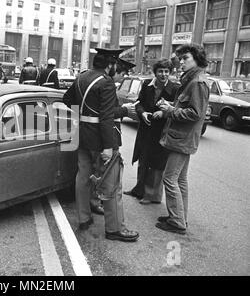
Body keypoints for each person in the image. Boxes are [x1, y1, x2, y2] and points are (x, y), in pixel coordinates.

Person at [63, 48, 139, 242]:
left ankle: (83, 219)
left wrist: (84, 118)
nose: (116, 68)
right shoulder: (105, 82)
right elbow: (106, 117)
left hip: (82, 136)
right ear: (110, 65)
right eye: (116, 65)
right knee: (112, 185)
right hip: (100, 140)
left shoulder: (82, 77)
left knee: (83, 179)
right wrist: (108, 146)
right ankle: (114, 229)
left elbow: (67, 100)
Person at [155, 43, 210, 234]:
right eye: (181, 59)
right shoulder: (191, 80)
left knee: (169, 179)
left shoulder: (197, 83)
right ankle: (179, 217)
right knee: (180, 180)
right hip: (181, 138)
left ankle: (177, 222)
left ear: (197, 59)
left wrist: (171, 110)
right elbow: (188, 107)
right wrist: (171, 105)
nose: (181, 63)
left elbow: (195, 113)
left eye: (186, 58)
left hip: (182, 139)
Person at [124, 59, 180, 204]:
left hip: (162, 130)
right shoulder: (147, 84)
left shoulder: (174, 88)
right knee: (143, 159)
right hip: (146, 128)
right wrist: (142, 113)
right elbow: (139, 103)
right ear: (155, 73)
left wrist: (164, 113)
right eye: (160, 71)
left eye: (166, 71)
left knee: (157, 163)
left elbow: (177, 109)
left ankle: (152, 195)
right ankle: (139, 189)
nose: (163, 74)